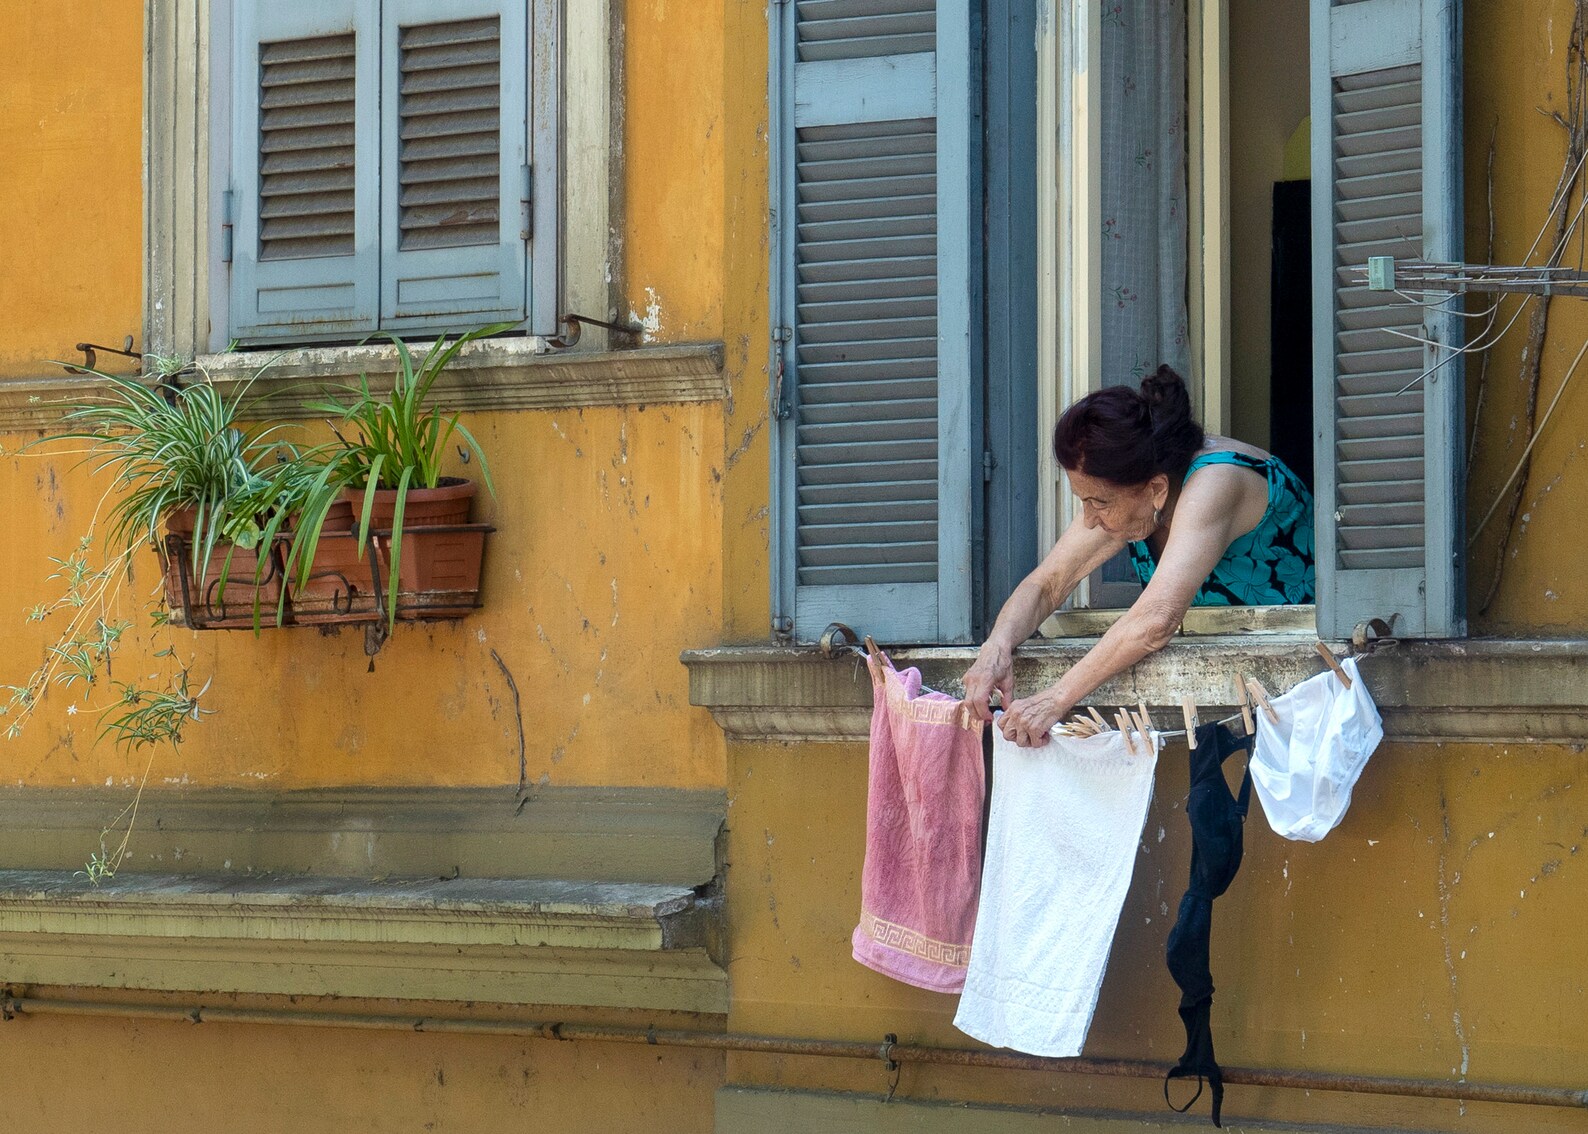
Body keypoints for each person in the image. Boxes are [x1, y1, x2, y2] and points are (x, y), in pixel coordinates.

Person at [962, 366, 1314, 748]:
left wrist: (1054, 699)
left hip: (1300, 696)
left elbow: (1156, 619)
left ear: (1157, 489)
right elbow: (1047, 584)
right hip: (1221, 704)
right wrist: (996, 648)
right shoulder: (1136, 486)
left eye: (1098, 502)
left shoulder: (1217, 481)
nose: (1089, 518)